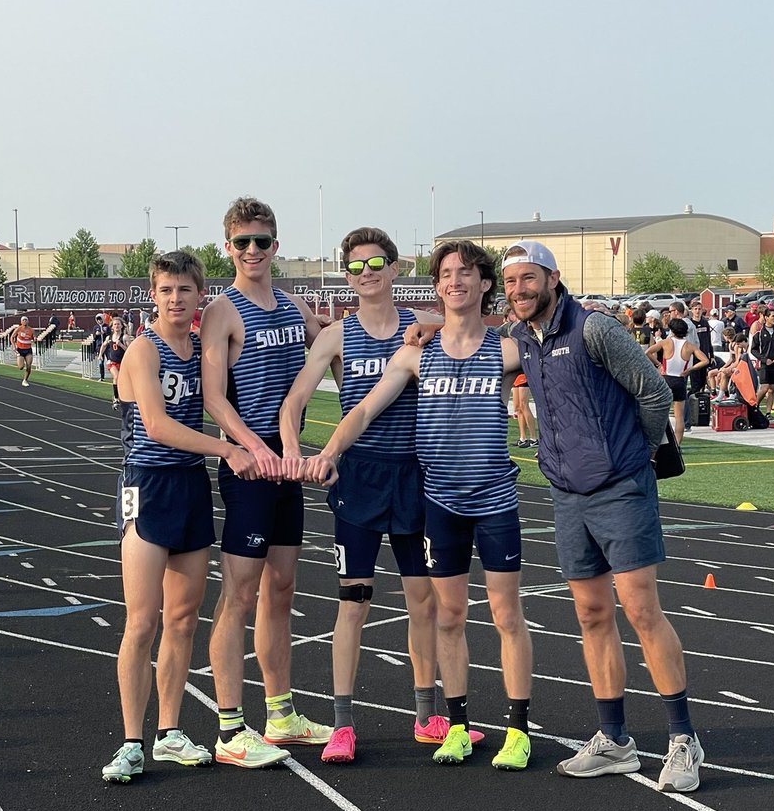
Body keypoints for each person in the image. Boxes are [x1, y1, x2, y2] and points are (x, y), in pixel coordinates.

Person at [304, 239, 533, 771]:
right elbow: (362, 412)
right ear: (436, 286)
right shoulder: (414, 352)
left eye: (466, 273)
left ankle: (517, 730)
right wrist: (328, 452)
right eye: (446, 274)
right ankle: (450, 725)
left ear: (484, 284)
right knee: (446, 615)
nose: (455, 281)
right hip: (437, 500)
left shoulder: (507, 350)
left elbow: (556, 328)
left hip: (493, 497)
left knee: (504, 614)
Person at [500, 240, 706, 794]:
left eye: (528, 279)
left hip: (620, 486)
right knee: (592, 614)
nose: (518, 290)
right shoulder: (523, 337)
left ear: (552, 277)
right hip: (566, 492)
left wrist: (631, 453)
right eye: (511, 281)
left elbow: (654, 392)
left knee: (640, 609)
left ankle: (683, 740)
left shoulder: (594, 329)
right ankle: (615, 740)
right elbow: (463, 337)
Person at [278, 226, 474, 764]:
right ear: (348, 276)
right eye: (357, 266)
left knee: (423, 604)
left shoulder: (423, 329)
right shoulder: (336, 337)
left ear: (395, 268)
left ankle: (427, 715)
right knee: (353, 603)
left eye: (377, 263)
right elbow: (291, 404)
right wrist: (297, 456)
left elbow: (475, 332)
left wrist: (434, 324)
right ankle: (342, 724)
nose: (367, 274)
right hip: (359, 481)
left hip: (416, 478)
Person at [101, 250, 255, 783]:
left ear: (199, 296)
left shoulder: (200, 350)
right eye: (165, 290)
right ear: (153, 294)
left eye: (184, 291)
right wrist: (227, 449)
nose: (174, 299)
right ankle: (130, 741)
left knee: (183, 619)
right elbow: (158, 427)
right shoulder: (144, 351)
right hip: (148, 486)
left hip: (190, 487)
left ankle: (169, 733)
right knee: (141, 621)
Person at [201, 195, 333, 767]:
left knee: (281, 591)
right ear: (228, 247)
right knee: (238, 595)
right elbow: (212, 399)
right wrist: (257, 449)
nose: (252, 251)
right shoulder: (221, 311)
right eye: (242, 242)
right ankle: (231, 726)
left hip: (288, 469)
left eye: (262, 241)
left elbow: (333, 347)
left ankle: (281, 713)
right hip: (254, 469)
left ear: (276, 245)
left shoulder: (294, 303)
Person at [653, 317, 708, 444]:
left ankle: (659, 443)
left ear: (672, 330)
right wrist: (690, 370)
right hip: (679, 380)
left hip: (666, 379)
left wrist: (659, 365)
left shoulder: (666, 342)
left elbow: (648, 352)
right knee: (679, 417)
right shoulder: (689, 346)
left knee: (661, 414)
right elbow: (705, 360)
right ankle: (677, 444)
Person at [104, 316, 131, 409]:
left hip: (123, 363)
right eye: (115, 324)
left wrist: (121, 345)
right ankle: (116, 398)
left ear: (121, 326)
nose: (116, 326)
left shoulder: (125, 337)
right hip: (112, 362)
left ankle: (122, 397)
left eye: (118, 324)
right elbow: (103, 345)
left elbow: (130, 350)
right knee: (116, 376)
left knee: (123, 381)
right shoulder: (109, 337)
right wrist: (100, 355)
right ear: (112, 327)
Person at [10, 316, 35, 386]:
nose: (25, 321)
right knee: (21, 367)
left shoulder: (31, 330)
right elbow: (12, 337)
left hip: (28, 350)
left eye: (26, 320)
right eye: (23, 320)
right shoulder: (19, 329)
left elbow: (34, 338)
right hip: (20, 349)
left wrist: (35, 339)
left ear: (28, 321)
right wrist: (14, 346)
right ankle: (21, 362)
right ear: (21, 322)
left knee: (29, 365)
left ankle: (25, 380)